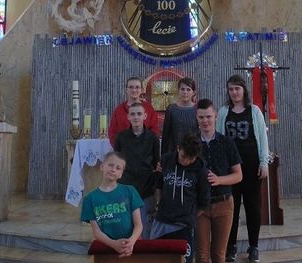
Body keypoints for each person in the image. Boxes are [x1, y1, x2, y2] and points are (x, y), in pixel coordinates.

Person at [216, 74, 269, 263]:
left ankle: (253, 246)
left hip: (252, 166)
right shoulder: (224, 111)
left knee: (253, 207)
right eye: (231, 89)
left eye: (237, 88)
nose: (234, 92)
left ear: (244, 90)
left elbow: (262, 138)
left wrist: (264, 162)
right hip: (230, 169)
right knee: (232, 207)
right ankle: (230, 246)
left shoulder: (254, 111)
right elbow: (219, 139)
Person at [195, 98, 243, 263]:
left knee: (219, 255)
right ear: (197, 118)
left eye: (208, 116)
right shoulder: (192, 144)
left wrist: (219, 180)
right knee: (202, 256)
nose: (205, 121)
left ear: (215, 116)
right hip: (200, 206)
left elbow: (238, 175)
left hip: (223, 204)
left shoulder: (226, 142)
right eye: (201, 117)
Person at [151, 133, 210, 263]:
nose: (186, 161)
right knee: (156, 258)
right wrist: (158, 203)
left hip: (184, 225)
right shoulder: (166, 160)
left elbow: (203, 202)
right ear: (178, 148)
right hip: (162, 220)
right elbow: (159, 185)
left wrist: (189, 215)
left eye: (191, 159)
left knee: (183, 260)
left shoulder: (201, 170)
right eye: (183, 156)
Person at [80, 151, 143, 257]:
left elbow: (138, 225)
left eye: (118, 168)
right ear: (102, 166)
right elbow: (96, 232)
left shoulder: (130, 191)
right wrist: (113, 244)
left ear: (121, 174)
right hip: (107, 248)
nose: (113, 169)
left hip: (131, 247)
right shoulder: (89, 199)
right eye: (110, 165)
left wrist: (131, 242)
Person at [114, 102, 160, 239]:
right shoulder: (121, 137)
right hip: (126, 187)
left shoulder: (153, 137)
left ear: (145, 116)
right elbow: (117, 161)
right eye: (133, 114)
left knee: (145, 230)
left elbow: (156, 163)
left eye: (139, 114)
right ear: (128, 117)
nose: (136, 117)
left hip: (146, 188)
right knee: (125, 229)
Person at [109, 76, 160, 146]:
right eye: (131, 87)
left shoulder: (149, 109)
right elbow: (113, 132)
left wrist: (146, 146)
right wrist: (120, 147)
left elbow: (155, 130)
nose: (134, 90)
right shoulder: (119, 110)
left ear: (141, 90)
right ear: (126, 90)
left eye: (137, 87)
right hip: (124, 150)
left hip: (145, 149)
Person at [161, 77, 198, 155]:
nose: (185, 92)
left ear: (194, 92)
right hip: (174, 153)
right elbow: (166, 135)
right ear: (178, 91)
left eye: (188, 89)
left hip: (193, 153)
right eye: (182, 89)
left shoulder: (197, 109)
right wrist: (164, 156)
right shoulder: (171, 109)